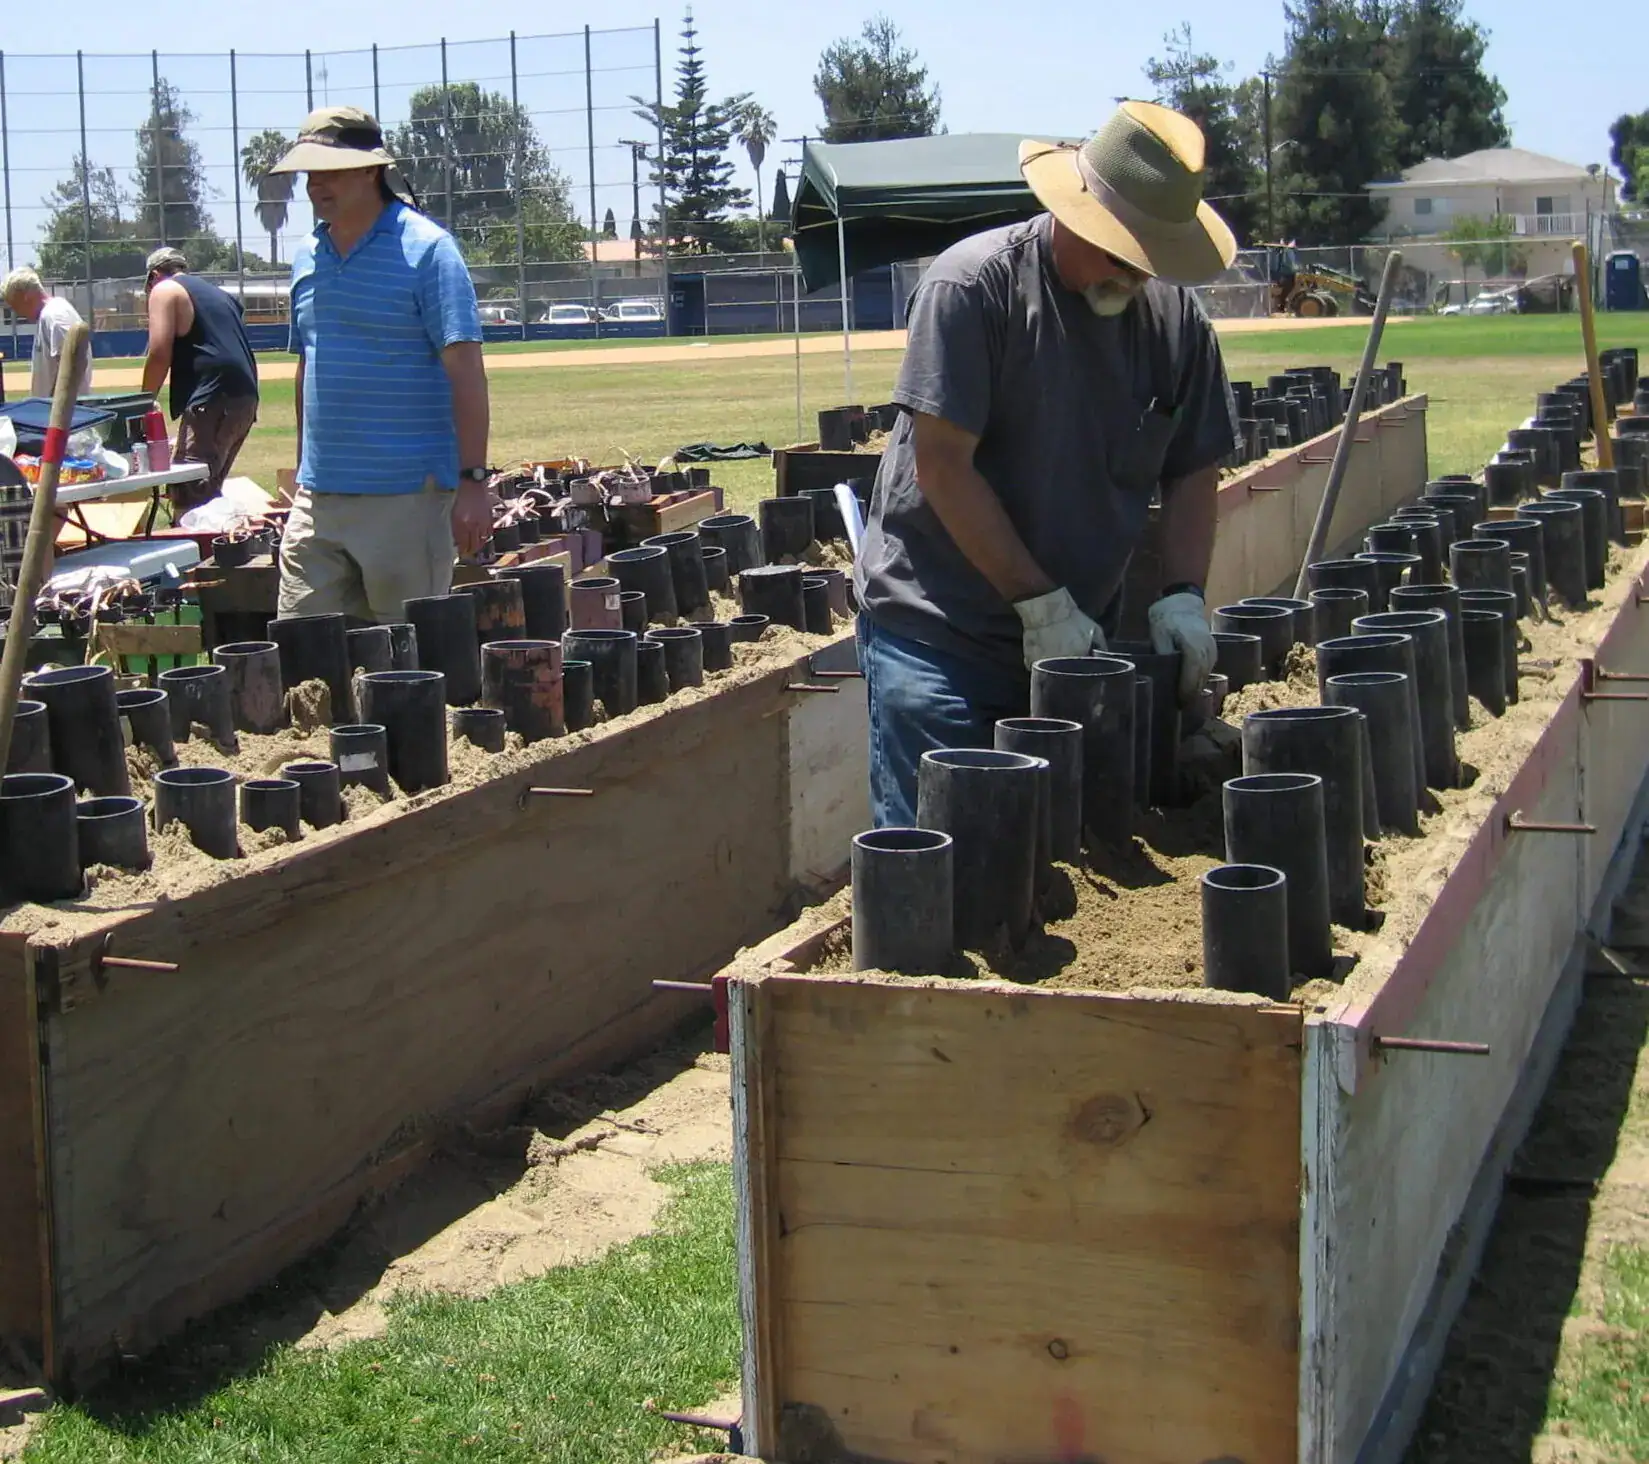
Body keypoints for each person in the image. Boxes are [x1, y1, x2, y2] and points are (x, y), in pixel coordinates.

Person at [853, 100, 1241, 829]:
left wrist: (1184, 594)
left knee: (1051, 857)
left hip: (1076, 645)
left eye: (1147, 261)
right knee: (943, 858)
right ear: (1072, 211)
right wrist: (1039, 604)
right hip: (942, 640)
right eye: (1117, 253)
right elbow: (942, 467)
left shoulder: (1177, 324)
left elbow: (1193, 469)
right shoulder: (974, 288)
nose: (1133, 276)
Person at [267, 105, 495, 624]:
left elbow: (466, 371)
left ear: (371, 170)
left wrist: (473, 483)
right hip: (319, 499)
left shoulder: (428, 251)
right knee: (302, 648)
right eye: (309, 172)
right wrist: (303, 471)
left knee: (406, 655)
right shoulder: (306, 255)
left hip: (407, 498)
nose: (316, 184)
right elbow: (309, 364)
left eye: (330, 170)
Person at [140, 248, 261, 516]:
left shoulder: (165, 289)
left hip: (213, 398)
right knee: (207, 493)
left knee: (189, 494)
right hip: (244, 398)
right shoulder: (219, 294)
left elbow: (158, 353)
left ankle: (192, 542)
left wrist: (142, 402)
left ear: (154, 275)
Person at [1, 268, 92, 402]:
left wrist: (57, 407)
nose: (17, 312)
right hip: (60, 407)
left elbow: (74, 361)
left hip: (65, 410)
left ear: (25, 296)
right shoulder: (50, 313)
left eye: (15, 305)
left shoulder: (54, 315)